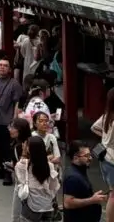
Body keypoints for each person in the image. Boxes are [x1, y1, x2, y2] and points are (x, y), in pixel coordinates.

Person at [0, 58, 24, 185]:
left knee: (8, 149)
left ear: (10, 69)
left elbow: (18, 102)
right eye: (0, 65)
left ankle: (8, 173)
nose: (2, 67)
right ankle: (1, 169)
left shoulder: (14, 84)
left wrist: (15, 121)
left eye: (5, 65)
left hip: (7, 121)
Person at [14, 136, 59, 222]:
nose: (23, 145)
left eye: (25, 145)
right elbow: (54, 186)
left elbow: (20, 182)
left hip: (31, 208)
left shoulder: (22, 166)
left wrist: (23, 154)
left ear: (29, 149)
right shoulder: (49, 166)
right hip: (47, 207)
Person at [63, 140, 107, 222]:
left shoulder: (80, 170)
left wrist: (93, 197)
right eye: (86, 156)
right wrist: (92, 200)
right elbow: (68, 203)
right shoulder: (73, 178)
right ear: (76, 158)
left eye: (90, 155)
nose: (90, 158)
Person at [89, 88, 114, 222]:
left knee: (112, 192)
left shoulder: (107, 116)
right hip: (113, 159)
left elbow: (93, 127)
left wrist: (104, 137)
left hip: (104, 157)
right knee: (113, 195)